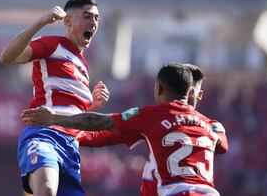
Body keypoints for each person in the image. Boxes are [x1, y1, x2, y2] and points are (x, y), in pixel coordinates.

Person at [22, 63, 226, 195]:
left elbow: (100, 123)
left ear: (159, 89)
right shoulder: (212, 125)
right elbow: (221, 145)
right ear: (191, 93)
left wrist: (54, 119)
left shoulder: (150, 116)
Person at [0, 0, 110, 196]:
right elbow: (7, 57)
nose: (93, 22)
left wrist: (91, 106)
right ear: (68, 21)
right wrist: (41, 22)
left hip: (71, 148)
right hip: (45, 135)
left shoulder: (83, 66)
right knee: (47, 189)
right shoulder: (53, 45)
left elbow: (70, 113)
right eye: (87, 17)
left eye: (96, 18)